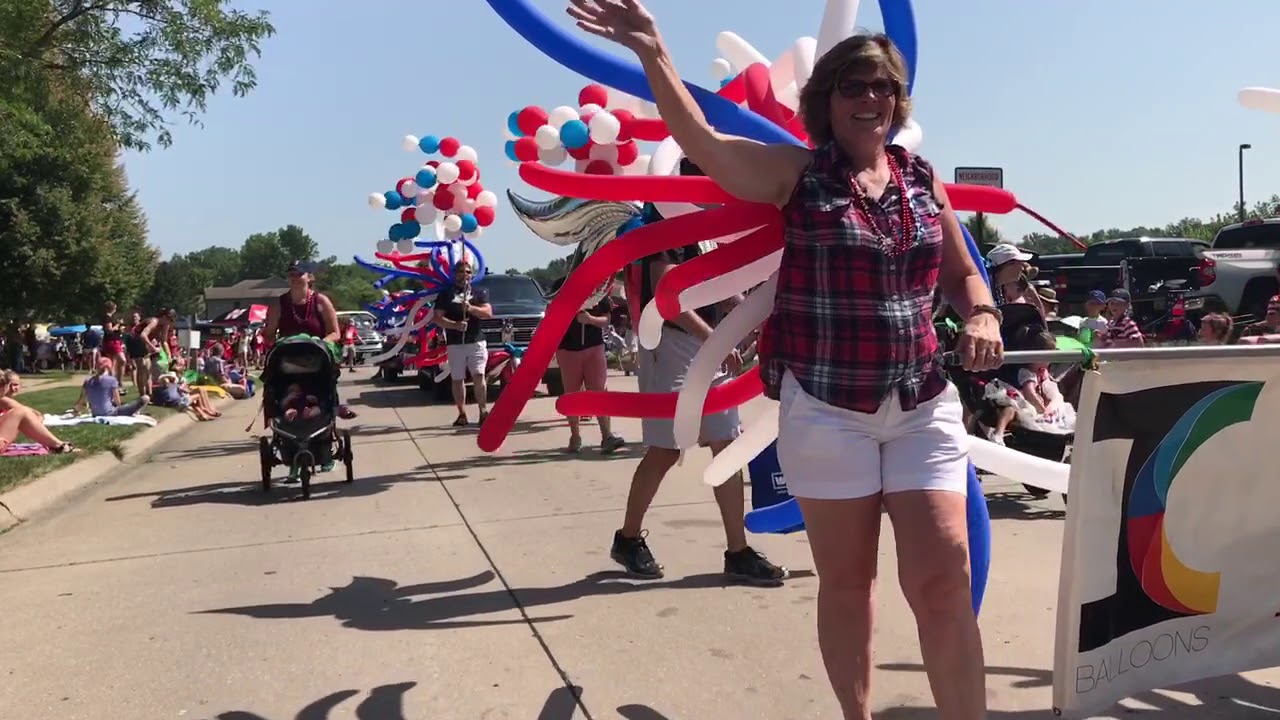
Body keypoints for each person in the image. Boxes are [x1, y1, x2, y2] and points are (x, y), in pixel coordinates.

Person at [569, 3, 1003, 718]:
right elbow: (704, 144)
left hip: (922, 403)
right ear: (825, 101)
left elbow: (961, 273)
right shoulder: (798, 176)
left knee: (942, 581)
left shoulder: (923, 179)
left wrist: (982, 310)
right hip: (830, 414)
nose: (871, 100)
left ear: (899, 100)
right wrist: (653, 52)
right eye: (854, 87)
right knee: (848, 583)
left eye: (884, 87)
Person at [261, 260, 355, 420]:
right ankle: (287, 409)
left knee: (325, 378)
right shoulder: (279, 304)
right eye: (291, 274)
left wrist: (321, 344)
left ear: (310, 277)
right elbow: (269, 334)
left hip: (316, 356)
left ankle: (329, 407)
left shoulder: (321, 301)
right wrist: (270, 338)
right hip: (288, 357)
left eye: (299, 274)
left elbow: (334, 332)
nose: (295, 277)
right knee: (279, 381)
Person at [550, 278, 626, 454]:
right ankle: (575, 436)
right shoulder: (560, 285)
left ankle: (606, 436)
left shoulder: (598, 287)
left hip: (594, 347)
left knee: (599, 392)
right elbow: (551, 313)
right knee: (572, 394)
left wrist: (590, 319)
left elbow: (606, 320)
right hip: (568, 349)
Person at [431, 260, 493, 427]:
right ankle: (462, 414)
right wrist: (455, 325)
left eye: (467, 272)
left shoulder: (479, 293)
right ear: (454, 274)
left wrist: (472, 308)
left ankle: (483, 411)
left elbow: (488, 312)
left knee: (479, 375)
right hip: (455, 343)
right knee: (458, 378)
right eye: (460, 271)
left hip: (476, 341)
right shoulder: (446, 294)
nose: (464, 275)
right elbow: (437, 318)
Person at [0, 370, 78, 455]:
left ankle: (58, 445)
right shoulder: (3, 400)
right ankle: (58, 446)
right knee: (21, 412)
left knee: (21, 412)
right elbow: (33, 413)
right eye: (6, 384)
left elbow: (35, 414)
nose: (9, 388)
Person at [75, 358, 149, 417]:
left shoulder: (88, 381)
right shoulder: (111, 380)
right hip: (110, 413)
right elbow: (118, 402)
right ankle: (137, 412)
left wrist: (77, 410)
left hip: (95, 413)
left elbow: (81, 401)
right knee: (145, 398)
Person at [986, 243, 1046, 314]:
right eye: (1020, 263)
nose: (1023, 268)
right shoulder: (986, 288)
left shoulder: (998, 288)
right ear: (1010, 264)